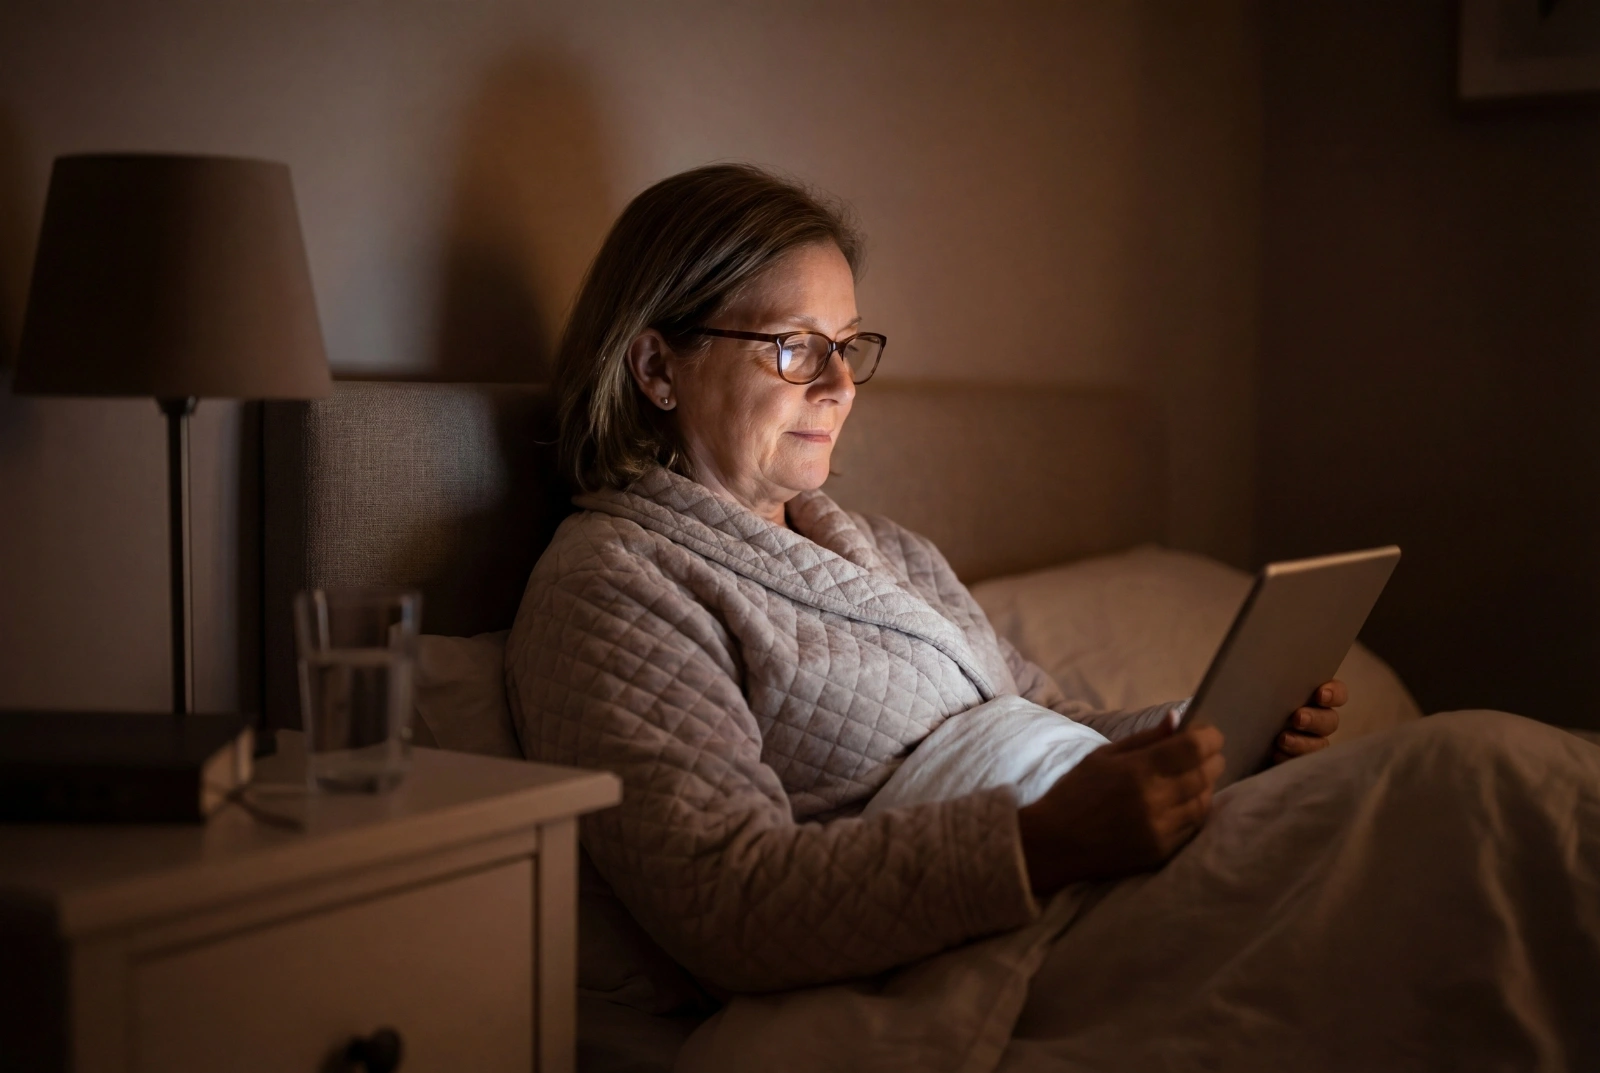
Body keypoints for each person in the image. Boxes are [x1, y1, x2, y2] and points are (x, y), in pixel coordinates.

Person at [505, 163, 1345, 993]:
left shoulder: (889, 549)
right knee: (1458, 778)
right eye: (797, 348)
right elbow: (729, 896)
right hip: (979, 943)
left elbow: (1047, 717)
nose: (840, 386)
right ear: (656, 368)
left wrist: (1207, 737)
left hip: (1091, 877)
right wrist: (1042, 844)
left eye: (848, 346)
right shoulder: (612, 584)